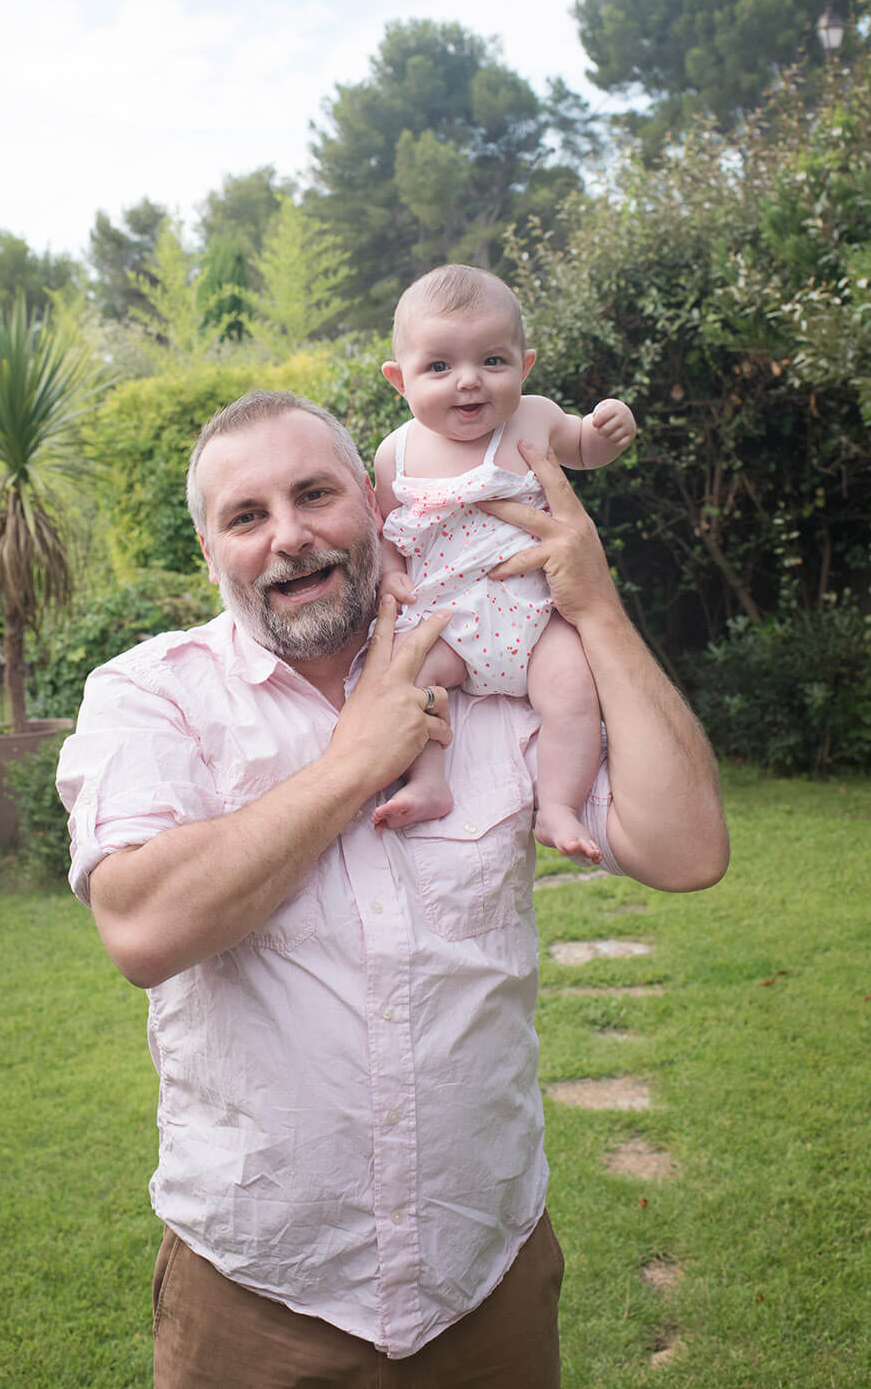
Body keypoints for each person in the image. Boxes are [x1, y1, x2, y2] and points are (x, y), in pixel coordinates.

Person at [56, 390, 728, 1389]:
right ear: (210, 552)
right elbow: (143, 926)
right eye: (246, 517)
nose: (289, 537)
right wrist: (354, 761)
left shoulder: (494, 674)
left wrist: (594, 608)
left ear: (376, 503)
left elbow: (684, 852)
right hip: (259, 1300)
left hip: (484, 1283)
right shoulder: (152, 694)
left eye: (315, 494)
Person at [372, 264, 636, 855]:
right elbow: (388, 529)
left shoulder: (536, 417)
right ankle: (428, 780)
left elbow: (586, 449)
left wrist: (608, 428)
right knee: (410, 684)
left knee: (573, 695)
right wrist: (391, 570)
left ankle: (560, 807)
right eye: (439, 367)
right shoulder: (397, 452)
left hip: (536, 614)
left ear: (525, 366)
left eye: (493, 361)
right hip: (448, 623)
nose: (468, 381)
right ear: (400, 380)